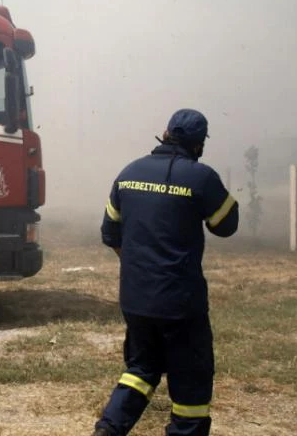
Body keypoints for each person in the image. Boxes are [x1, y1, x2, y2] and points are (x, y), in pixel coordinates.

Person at [93, 109, 238, 436]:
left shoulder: (129, 172)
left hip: (136, 299)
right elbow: (226, 226)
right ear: (200, 145)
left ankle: (108, 429)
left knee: (141, 369)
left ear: (165, 132)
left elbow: (110, 233)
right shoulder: (201, 177)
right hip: (180, 304)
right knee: (191, 381)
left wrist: (142, 268)